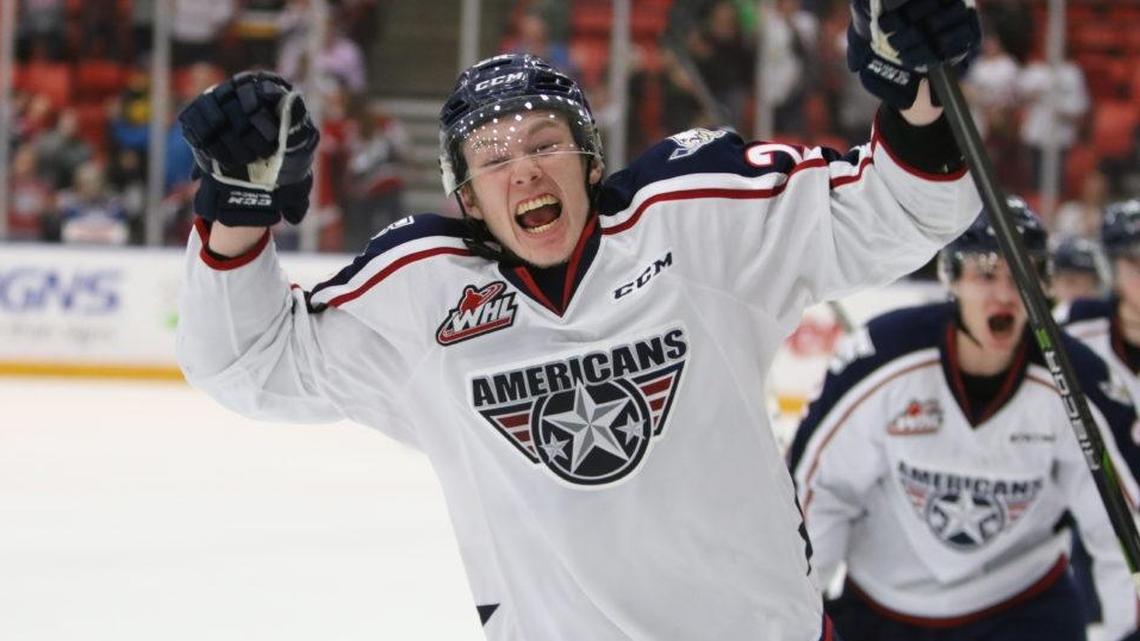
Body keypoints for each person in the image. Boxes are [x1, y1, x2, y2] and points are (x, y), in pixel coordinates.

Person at [174, 1, 983, 637]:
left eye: (544, 143)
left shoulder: (696, 220)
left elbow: (909, 211)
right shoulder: (420, 292)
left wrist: (914, 91)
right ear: (466, 195)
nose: (522, 166)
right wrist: (237, 212)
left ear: (591, 159)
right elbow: (247, 365)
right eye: (491, 157)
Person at [788, 198, 1140, 641]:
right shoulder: (882, 359)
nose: (1004, 294)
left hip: (1021, 609)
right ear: (950, 279)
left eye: (1020, 275)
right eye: (986, 274)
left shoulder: (1077, 378)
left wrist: (1129, 628)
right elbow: (820, 491)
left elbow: (1120, 521)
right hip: (884, 609)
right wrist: (799, 613)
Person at [1052, 236, 1107, 307]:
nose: (1081, 292)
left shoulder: (1112, 315)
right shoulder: (1045, 316)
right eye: (1071, 282)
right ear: (1055, 283)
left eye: (1089, 283)